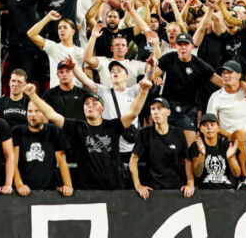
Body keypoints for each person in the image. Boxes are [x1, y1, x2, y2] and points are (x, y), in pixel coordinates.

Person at [23, 77, 152, 190]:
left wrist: (143, 92)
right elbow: (51, 114)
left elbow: (133, 112)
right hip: (88, 191)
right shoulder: (78, 127)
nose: (90, 105)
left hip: (115, 188)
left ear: (102, 109)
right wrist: (33, 96)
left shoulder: (112, 126)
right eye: (86, 104)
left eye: (94, 103)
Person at [205, 61, 246, 189]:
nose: (226, 76)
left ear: (239, 75)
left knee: (242, 136)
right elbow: (211, 124)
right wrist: (231, 136)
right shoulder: (215, 97)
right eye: (223, 73)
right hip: (228, 141)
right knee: (240, 134)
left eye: (230, 73)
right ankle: (243, 178)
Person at [130, 97, 195, 199]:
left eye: (159, 108)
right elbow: (133, 160)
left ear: (168, 112)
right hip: (152, 191)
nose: (155, 112)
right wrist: (138, 185)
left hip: (175, 190)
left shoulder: (178, 133)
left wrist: (190, 182)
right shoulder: (144, 133)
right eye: (153, 109)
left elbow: (187, 160)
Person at [11, 98, 72, 197]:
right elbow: (13, 162)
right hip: (25, 190)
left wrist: (68, 185)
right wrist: (19, 184)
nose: (32, 115)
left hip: (50, 189)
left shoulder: (54, 131)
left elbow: (61, 161)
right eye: (30, 111)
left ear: (44, 114)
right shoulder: (17, 131)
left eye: (37, 111)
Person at [192, 113, 240, 190]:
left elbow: (237, 173)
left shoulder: (227, 145)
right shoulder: (197, 145)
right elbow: (197, 173)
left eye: (212, 125)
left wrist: (231, 158)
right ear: (201, 129)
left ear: (218, 128)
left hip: (227, 191)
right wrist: (202, 154)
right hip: (206, 192)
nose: (209, 128)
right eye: (205, 125)